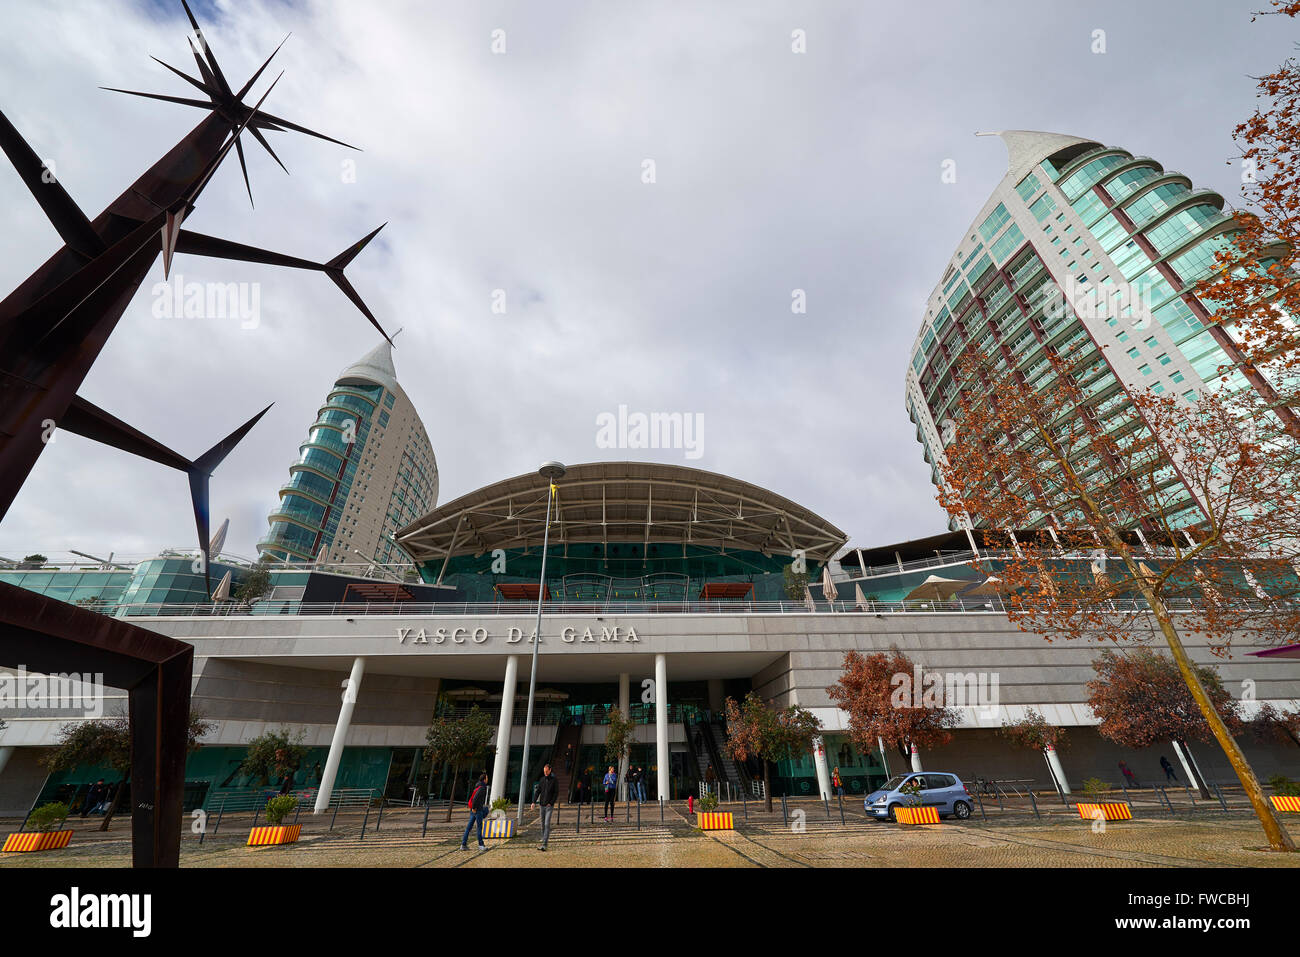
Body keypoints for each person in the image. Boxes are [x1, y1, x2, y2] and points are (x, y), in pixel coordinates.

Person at [460, 771, 490, 851]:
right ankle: (481, 845)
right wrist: (474, 808)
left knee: (468, 828)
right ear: (484, 779)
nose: (487, 780)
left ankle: (463, 844)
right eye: (487, 778)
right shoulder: (482, 788)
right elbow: (476, 798)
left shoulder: (477, 786)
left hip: (474, 810)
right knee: (479, 827)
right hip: (477, 810)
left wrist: (473, 808)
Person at [533, 763, 559, 851]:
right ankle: (543, 842)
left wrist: (551, 803)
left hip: (549, 806)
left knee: (547, 824)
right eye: (544, 771)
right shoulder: (542, 780)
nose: (545, 773)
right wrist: (533, 802)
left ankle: (545, 843)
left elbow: (556, 793)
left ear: (550, 770)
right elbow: (538, 791)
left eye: (547, 771)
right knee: (542, 825)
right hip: (542, 805)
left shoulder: (554, 780)